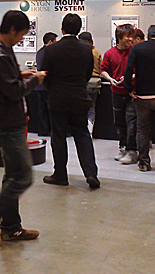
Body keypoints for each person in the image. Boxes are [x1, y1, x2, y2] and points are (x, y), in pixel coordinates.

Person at [0, 10, 46, 245]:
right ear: (13, 30)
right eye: (22, 34)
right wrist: (35, 80)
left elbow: (5, 81)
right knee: (24, 176)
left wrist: (20, 74)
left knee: (13, 176)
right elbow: (14, 91)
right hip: (8, 122)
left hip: (8, 119)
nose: (22, 38)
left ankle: (11, 228)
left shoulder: (1, 49)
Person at [42, 14, 100, 188]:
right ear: (79, 29)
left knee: (58, 137)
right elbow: (87, 74)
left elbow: (45, 75)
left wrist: (53, 89)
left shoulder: (52, 49)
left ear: (62, 28)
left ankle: (60, 174)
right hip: (79, 97)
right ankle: (91, 174)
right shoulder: (86, 49)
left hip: (58, 98)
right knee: (82, 135)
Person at [124, 24, 155, 172]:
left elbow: (128, 70)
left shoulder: (137, 49)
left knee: (142, 130)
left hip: (142, 96)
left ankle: (144, 162)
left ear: (149, 35)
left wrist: (129, 89)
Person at [100, 24, 138, 164]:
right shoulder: (109, 53)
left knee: (131, 122)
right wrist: (110, 79)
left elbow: (141, 70)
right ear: (119, 37)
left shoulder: (135, 52)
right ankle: (123, 148)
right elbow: (103, 70)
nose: (130, 39)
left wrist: (130, 77)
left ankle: (132, 150)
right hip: (116, 92)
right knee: (119, 122)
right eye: (128, 36)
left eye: (131, 36)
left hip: (131, 92)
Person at [34, 32, 57, 136]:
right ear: (50, 42)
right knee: (51, 109)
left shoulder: (39, 52)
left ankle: (43, 130)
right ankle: (52, 130)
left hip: (39, 85)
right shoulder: (50, 52)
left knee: (41, 109)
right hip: (48, 84)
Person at [79, 31, 102, 134]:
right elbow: (101, 68)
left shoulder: (81, 52)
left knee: (81, 108)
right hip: (95, 83)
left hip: (83, 82)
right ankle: (90, 130)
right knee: (92, 108)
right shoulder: (97, 52)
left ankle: (82, 130)